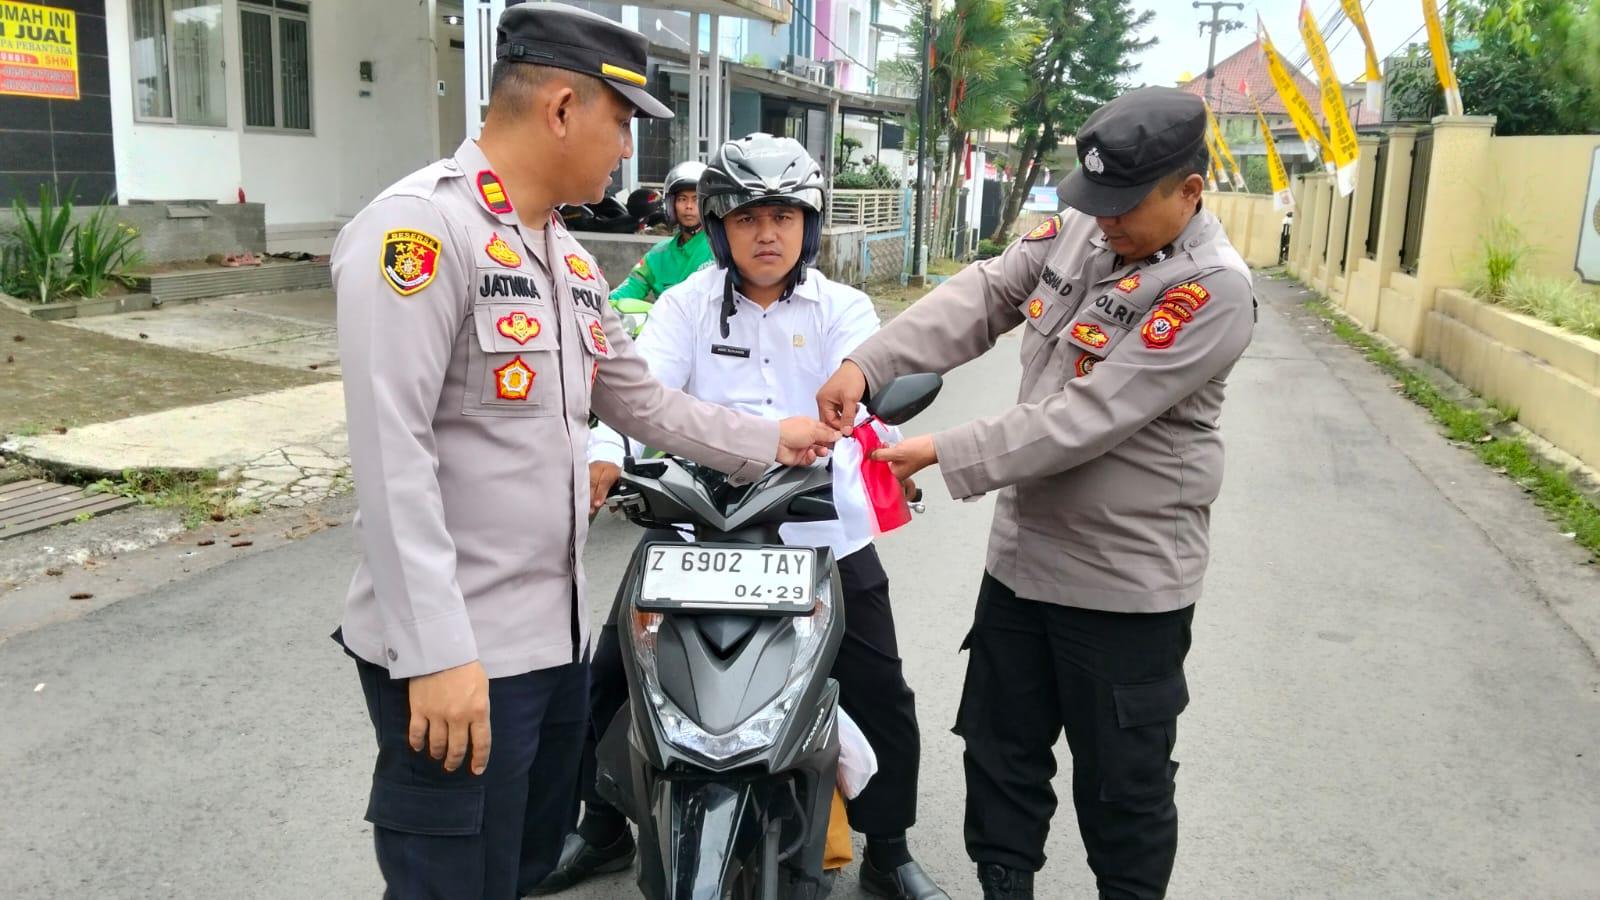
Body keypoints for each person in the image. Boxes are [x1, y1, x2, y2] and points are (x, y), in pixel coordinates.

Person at [330, 7, 837, 899]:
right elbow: (391, 457)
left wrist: (769, 439)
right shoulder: (420, 233)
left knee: (521, 869)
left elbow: (637, 399)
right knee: (451, 883)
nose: (628, 149)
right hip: (460, 653)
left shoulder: (564, 257)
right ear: (563, 108)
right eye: (624, 121)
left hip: (550, 644)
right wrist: (436, 653)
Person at [815, 87, 1258, 900]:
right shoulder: (1089, 226)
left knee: (1122, 786)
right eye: (1097, 200)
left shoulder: (1212, 291)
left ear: (1190, 191)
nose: (1105, 219)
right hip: (1023, 563)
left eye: (1125, 204)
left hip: (1124, 585)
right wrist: (867, 363)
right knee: (999, 752)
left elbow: (1085, 418)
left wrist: (942, 450)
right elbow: (986, 293)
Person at [531, 134, 948, 900]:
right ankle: (602, 824)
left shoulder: (844, 309)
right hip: (697, 527)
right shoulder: (685, 305)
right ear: (719, 227)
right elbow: (636, 396)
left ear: (808, 225)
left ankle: (888, 848)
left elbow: (872, 391)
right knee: (613, 674)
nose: (766, 234)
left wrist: (874, 427)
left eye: (783, 216)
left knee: (878, 683)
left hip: (817, 532)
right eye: (747, 217)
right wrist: (604, 455)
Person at [608, 159, 714, 304]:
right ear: (671, 205)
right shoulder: (658, 254)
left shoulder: (721, 248)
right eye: (682, 199)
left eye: (696, 199)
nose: (689, 206)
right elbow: (629, 289)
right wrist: (603, 304)